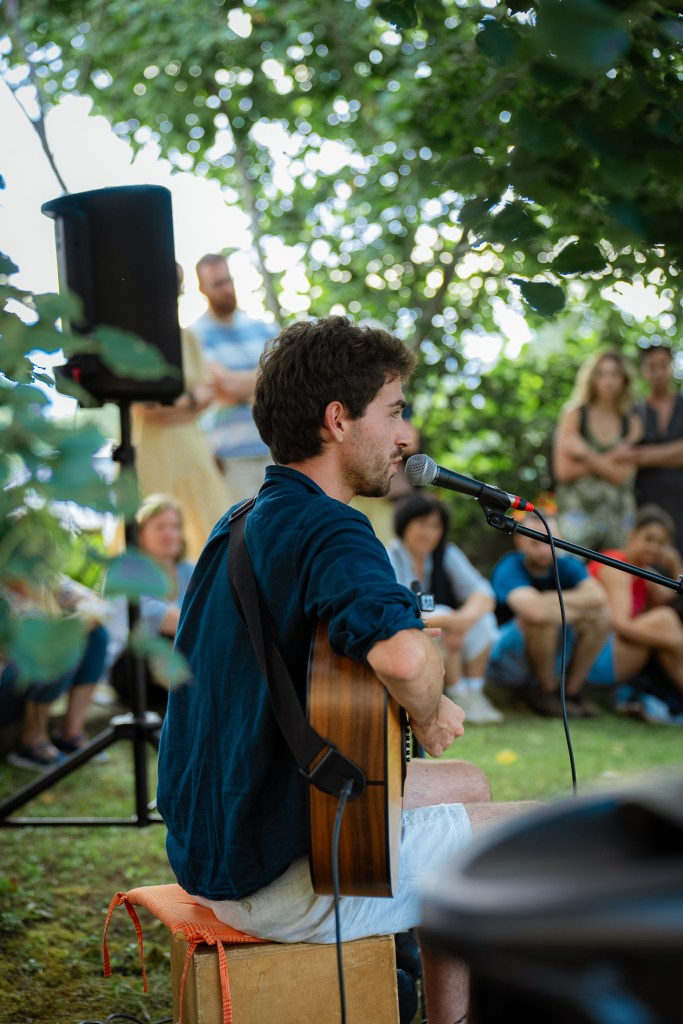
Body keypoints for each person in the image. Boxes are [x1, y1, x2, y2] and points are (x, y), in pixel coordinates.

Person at [157, 316, 534, 1024]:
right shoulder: (331, 526)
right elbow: (404, 657)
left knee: (467, 786)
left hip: (215, 848)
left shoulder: (238, 522)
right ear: (338, 420)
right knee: (538, 836)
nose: (406, 436)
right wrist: (430, 707)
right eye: (393, 412)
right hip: (282, 881)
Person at [131, 266, 232, 561]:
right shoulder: (135, 341)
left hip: (193, 452)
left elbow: (207, 395)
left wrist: (173, 405)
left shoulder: (188, 338)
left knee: (210, 537)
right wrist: (190, 402)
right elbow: (146, 409)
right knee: (154, 537)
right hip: (152, 455)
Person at [387, 495, 503, 723]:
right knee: (442, 615)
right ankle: (457, 694)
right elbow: (396, 611)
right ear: (405, 524)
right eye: (422, 524)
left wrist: (462, 621)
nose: (429, 533)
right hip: (409, 640)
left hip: (448, 635)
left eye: (435, 526)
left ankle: (474, 692)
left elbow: (483, 593)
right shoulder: (389, 556)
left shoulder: (447, 554)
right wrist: (449, 621)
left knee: (484, 621)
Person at [488, 513, 613, 718]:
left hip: (553, 643)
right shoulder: (509, 566)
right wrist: (581, 608)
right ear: (519, 541)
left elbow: (599, 598)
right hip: (507, 655)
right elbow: (535, 613)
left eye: (549, 542)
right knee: (542, 622)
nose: (543, 550)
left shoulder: (566, 564)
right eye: (535, 543)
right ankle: (546, 694)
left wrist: (544, 599)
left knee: (602, 618)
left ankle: (570, 694)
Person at [1, 576, 109, 769]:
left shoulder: (39, 575)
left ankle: (71, 734)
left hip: (24, 676)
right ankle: (32, 742)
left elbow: (100, 608)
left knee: (97, 635)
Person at [588, 503, 683, 723]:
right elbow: (619, 624)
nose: (654, 547)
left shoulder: (643, 571)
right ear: (632, 536)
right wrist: (675, 641)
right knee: (665, 620)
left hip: (615, 654)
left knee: (667, 620)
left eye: (661, 543)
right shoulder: (617, 565)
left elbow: (673, 599)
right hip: (595, 655)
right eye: (648, 539)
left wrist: (675, 565)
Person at [192, 253, 275, 501]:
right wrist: (265, 380)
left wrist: (237, 386)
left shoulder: (263, 328)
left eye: (229, 280)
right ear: (202, 288)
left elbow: (284, 382)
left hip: (273, 450)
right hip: (229, 457)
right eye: (218, 284)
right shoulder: (196, 335)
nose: (227, 289)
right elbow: (223, 385)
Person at [109, 495, 194, 712]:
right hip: (132, 669)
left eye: (175, 526)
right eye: (159, 527)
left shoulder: (191, 571)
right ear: (139, 534)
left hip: (181, 658)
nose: (169, 534)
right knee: (164, 639)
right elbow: (163, 619)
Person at [552, 349, 641, 551]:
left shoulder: (631, 422)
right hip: (577, 512)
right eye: (601, 374)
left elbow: (623, 477)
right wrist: (613, 458)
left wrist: (585, 453)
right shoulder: (574, 414)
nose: (608, 381)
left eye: (615, 374)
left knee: (617, 567)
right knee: (572, 566)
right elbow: (563, 472)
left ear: (624, 380)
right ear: (592, 378)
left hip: (618, 515)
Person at [615, 344, 683, 553]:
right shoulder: (635, 410)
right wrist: (675, 453)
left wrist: (645, 456)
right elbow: (625, 454)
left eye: (663, 365)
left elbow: (636, 456)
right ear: (643, 370)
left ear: (671, 366)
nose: (658, 372)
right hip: (646, 501)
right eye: (652, 367)